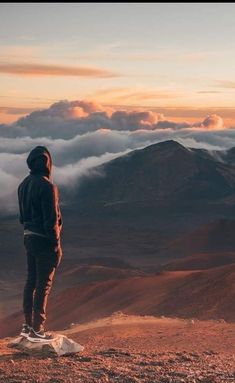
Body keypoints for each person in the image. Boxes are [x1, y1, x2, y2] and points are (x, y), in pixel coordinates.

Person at [17, 146, 63, 342]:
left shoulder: (23, 184)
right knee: (43, 284)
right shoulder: (47, 186)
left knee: (31, 282)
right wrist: (56, 245)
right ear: (47, 163)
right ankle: (38, 329)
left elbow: (21, 217)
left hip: (28, 236)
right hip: (44, 240)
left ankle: (27, 326)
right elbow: (51, 221)